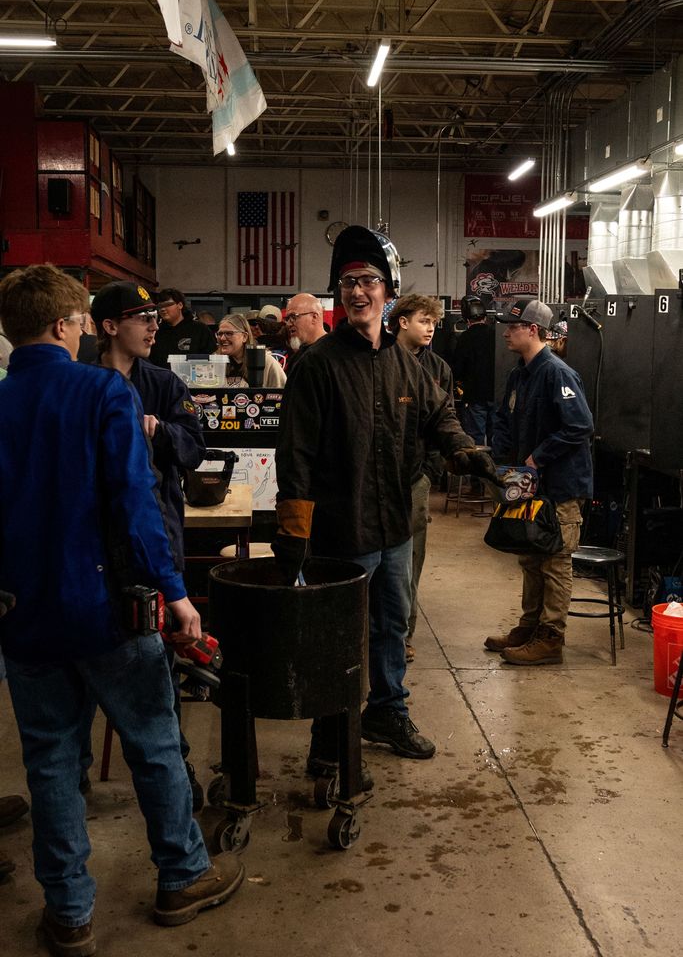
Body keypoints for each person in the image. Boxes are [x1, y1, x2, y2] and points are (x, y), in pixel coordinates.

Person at [0, 265, 243, 957]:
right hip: (110, 611)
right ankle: (182, 875)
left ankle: (70, 913)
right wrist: (174, 591)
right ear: (64, 325)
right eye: (77, 321)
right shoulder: (102, 390)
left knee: (49, 762)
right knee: (154, 746)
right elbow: (134, 505)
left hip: (26, 618)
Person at [274, 226, 494, 773]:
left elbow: (438, 415)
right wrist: (294, 529)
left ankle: (386, 712)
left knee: (392, 627)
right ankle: (328, 737)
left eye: (368, 280)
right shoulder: (317, 365)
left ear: (387, 289)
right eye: (348, 282)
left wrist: (465, 450)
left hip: (394, 527)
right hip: (339, 531)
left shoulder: (405, 363)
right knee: (338, 640)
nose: (357, 291)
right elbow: (295, 454)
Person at [90, 280, 207, 810]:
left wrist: (158, 430)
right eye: (142, 317)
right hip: (94, 551)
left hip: (159, 537)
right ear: (110, 326)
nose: (155, 324)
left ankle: (174, 769)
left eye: (157, 316)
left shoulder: (162, 381)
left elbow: (195, 449)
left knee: (160, 665)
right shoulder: (83, 384)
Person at [485, 298, 593, 666]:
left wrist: (536, 458)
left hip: (560, 488)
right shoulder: (519, 374)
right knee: (531, 558)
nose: (506, 332)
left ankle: (550, 638)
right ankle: (529, 627)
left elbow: (579, 426)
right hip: (528, 486)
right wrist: (506, 463)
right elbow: (503, 418)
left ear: (533, 330)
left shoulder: (557, 373)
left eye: (512, 327)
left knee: (555, 562)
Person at [387, 294, 454, 663]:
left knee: (410, 560)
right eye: (423, 320)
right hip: (375, 477)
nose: (430, 328)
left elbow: (446, 423)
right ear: (402, 322)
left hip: (416, 478)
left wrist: (430, 472)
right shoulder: (377, 358)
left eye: (433, 322)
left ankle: (403, 634)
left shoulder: (439, 369)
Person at [450, 295, 496, 496]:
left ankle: (477, 487)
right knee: (496, 441)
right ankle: (496, 487)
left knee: (475, 442)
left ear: (466, 318)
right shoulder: (496, 335)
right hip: (496, 396)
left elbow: (456, 371)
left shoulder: (465, 339)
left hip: (475, 397)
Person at [215, 312, 287, 388]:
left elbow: (283, 393)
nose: (222, 338)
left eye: (229, 333)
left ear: (244, 337)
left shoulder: (266, 361)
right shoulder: (215, 362)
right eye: (220, 334)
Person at [149, 287, 217, 367]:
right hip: (161, 378)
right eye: (160, 306)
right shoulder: (156, 331)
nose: (163, 309)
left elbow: (211, 358)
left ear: (180, 305)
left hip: (193, 377)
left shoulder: (199, 329)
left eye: (167, 304)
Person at [284, 293, 327, 372]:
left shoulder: (333, 355)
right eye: (287, 318)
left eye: (294, 317)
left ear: (314, 317)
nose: (289, 324)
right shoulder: (296, 358)